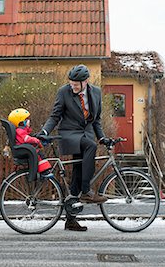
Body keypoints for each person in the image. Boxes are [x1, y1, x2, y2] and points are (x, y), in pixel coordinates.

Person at [39, 64, 111, 231]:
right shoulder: (64, 92)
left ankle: (70, 220)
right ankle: (86, 192)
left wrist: (102, 137)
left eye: (76, 85)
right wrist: (44, 131)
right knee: (91, 147)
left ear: (85, 82)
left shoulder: (96, 93)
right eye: (71, 84)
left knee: (78, 175)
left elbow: (96, 120)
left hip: (85, 134)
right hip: (69, 134)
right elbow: (55, 115)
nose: (73, 87)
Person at [8, 108, 53, 178]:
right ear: (21, 122)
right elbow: (26, 139)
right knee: (39, 155)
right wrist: (36, 140)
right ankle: (45, 171)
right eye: (27, 119)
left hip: (24, 148)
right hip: (24, 149)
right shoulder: (20, 131)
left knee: (39, 154)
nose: (29, 121)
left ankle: (42, 170)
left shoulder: (21, 131)